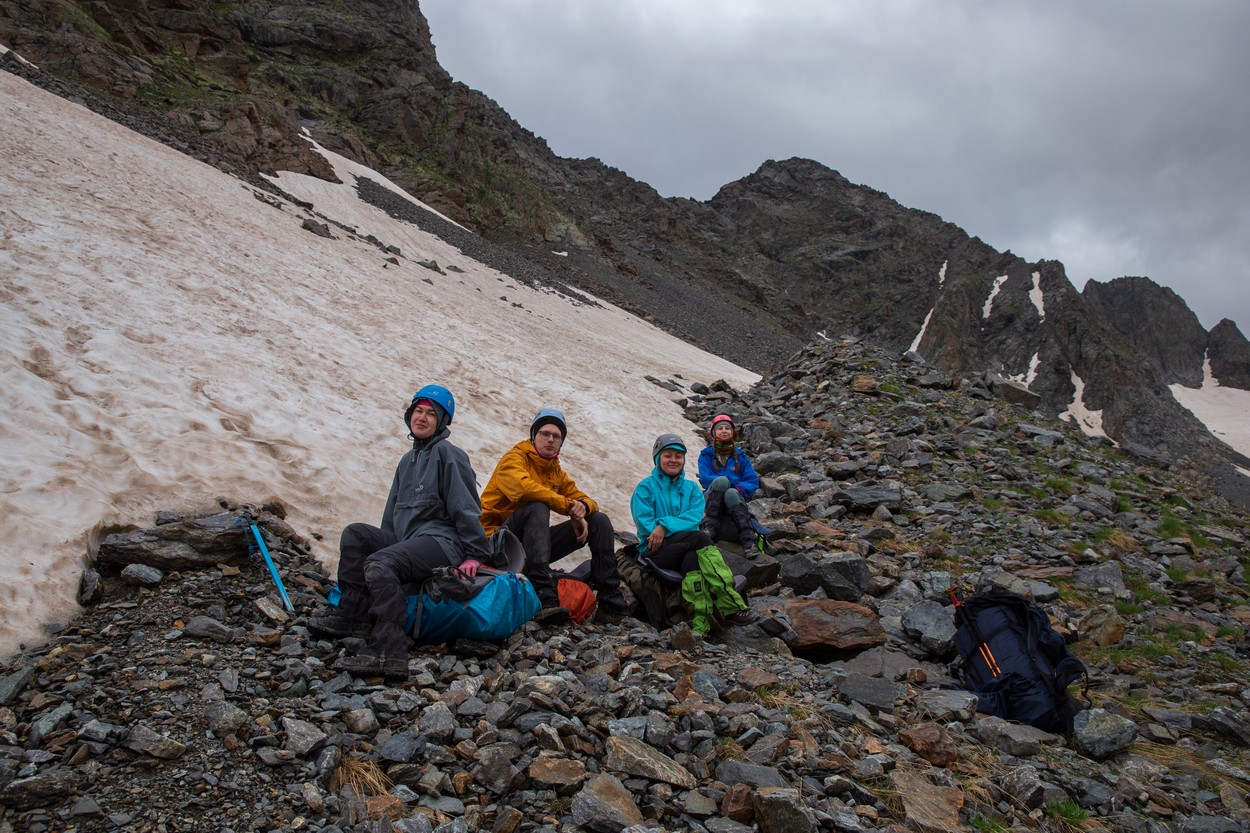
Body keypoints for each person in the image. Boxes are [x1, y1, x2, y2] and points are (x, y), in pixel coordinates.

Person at [308, 385, 491, 680]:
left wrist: (474, 554)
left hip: (442, 542)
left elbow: (465, 507)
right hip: (409, 540)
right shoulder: (407, 461)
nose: (422, 418)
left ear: (442, 422)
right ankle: (353, 615)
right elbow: (391, 517)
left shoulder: (449, 454)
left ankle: (388, 651)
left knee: (382, 563)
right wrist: (384, 546)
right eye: (418, 411)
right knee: (355, 534)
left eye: (431, 414)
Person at [478, 408, 630, 625]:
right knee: (537, 506)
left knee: (599, 521)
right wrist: (569, 507)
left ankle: (610, 601)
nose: (550, 439)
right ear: (534, 436)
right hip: (494, 546)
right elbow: (523, 489)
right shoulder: (514, 459)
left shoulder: (554, 470)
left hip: (528, 549)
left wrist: (583, 509)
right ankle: (544, 595)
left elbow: (587, 500)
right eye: (544, 433)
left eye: (556, 436)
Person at [630, 433, 754, 636]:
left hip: (686, 546)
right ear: (657, 458)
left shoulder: (691, 489)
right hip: (654, 551)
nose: (673, 460)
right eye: (668, 455)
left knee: (693, 556)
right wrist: (661, 528)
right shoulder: (645, 488)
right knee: (701, 538)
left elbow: (695, 517)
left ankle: (699, 624)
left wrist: (664, 526)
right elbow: (645, 526)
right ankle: (730, 604)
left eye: (678, 456)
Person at [697, 413, 762, 552]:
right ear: (714, 433)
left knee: (732, 492)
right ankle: (710, 527)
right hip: (713, 496)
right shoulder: (706, 455)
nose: (724, 431)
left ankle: (748, 542)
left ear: (732, 432)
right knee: (721, 481)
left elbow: (752, 481)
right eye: (720, 428)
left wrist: (738, 488)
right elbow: (705, 479)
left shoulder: (741, 456)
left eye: (727, 428)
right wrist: (731, 481)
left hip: (732, 499)